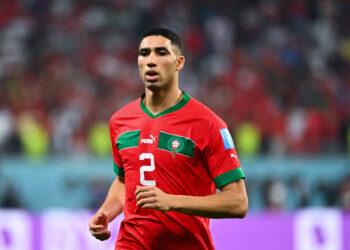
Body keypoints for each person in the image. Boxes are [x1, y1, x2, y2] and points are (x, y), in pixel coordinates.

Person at [89, 27, 248, 250]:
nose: (151, 60)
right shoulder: (120, 120)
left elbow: (238, 202)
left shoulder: (209, 124)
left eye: (161, 53)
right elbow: (124, 181)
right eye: (144, 54)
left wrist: (171, 201)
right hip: (132, 243)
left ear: (179, 62)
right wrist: (106, 212)